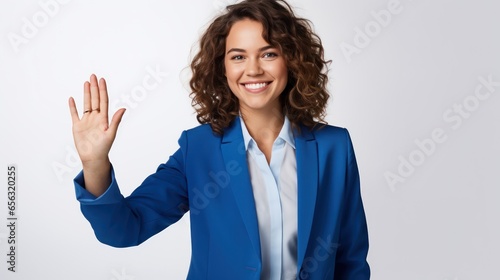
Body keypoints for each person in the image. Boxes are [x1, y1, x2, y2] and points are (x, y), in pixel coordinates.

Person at [68, 0, 370, 279]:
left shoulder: (334, 147)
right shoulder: (198, 149)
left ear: (291, 60)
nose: (253, 69)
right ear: (221, 67)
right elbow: (125, 230)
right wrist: (95, 164)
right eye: (238, 56)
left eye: (268, 53)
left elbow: (350, 260)